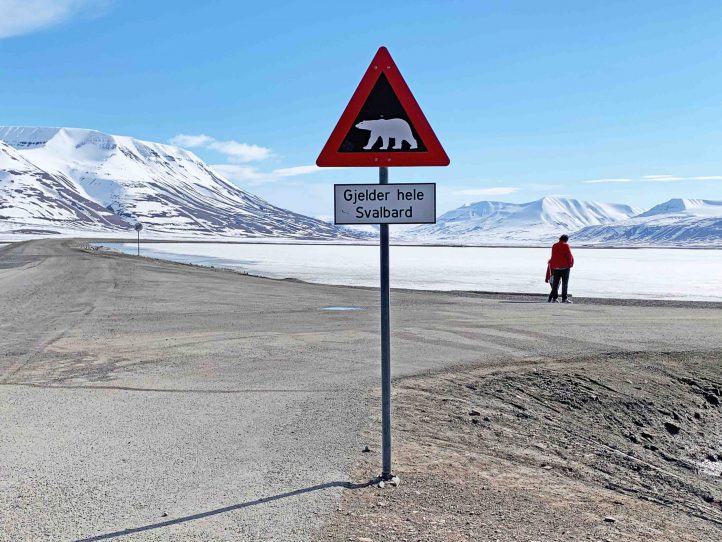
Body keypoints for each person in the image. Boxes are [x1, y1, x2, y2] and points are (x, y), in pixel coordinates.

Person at [548, 234, 574, 303]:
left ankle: (554, 298)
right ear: (566, 240)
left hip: (556, 268)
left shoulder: (554, 245)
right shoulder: (565, 245)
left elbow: (553, 256)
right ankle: (564, 299)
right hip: (565, 267)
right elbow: (569, 255)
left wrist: (553, 265)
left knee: (555, 283)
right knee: (565, 283)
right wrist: (570, 264)